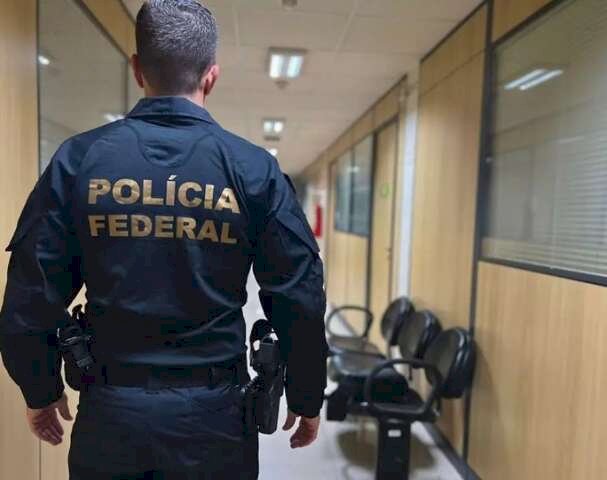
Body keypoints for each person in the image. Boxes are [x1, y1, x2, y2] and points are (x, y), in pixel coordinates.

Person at [0, 0, 328, 478]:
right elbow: (299, 295)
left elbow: (29, 297)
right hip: (215, 422)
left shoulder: (79, 161)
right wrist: (306, 393)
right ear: (211, 76)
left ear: (137, 70)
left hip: (111, 417)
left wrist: (40, 389)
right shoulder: (253, 169)